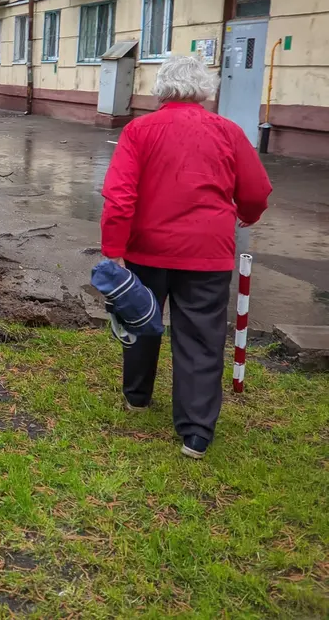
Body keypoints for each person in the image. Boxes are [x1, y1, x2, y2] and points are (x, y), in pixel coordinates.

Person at [100, 55, 272, 460]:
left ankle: (137, 396)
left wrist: (114, 251)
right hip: (207, 254)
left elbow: (119, 195)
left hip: (146, 249)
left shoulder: (139, 130)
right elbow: (255, 190)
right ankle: (195, 432)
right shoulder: (229, 131)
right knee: (200, 336)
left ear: (162, 89)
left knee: (141, 318)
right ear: (206, 91)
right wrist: (246, 215)